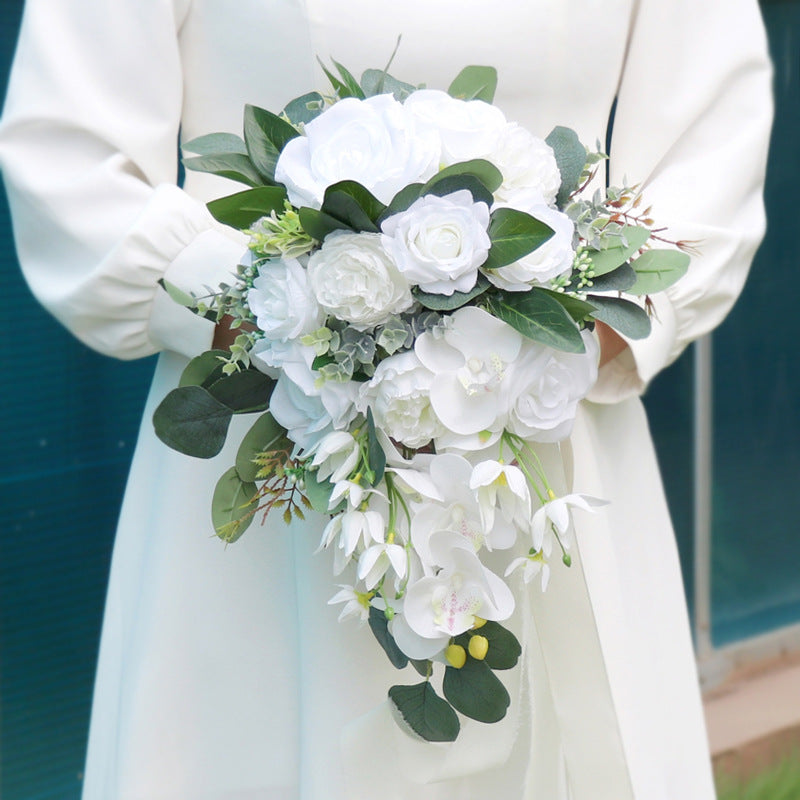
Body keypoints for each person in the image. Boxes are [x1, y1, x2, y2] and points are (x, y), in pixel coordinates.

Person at [0, 1, 772, 798]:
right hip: (282, 454)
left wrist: (546, 346)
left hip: (548, 448)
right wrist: (304, 325)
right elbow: (71, 158)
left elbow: (712, 142)